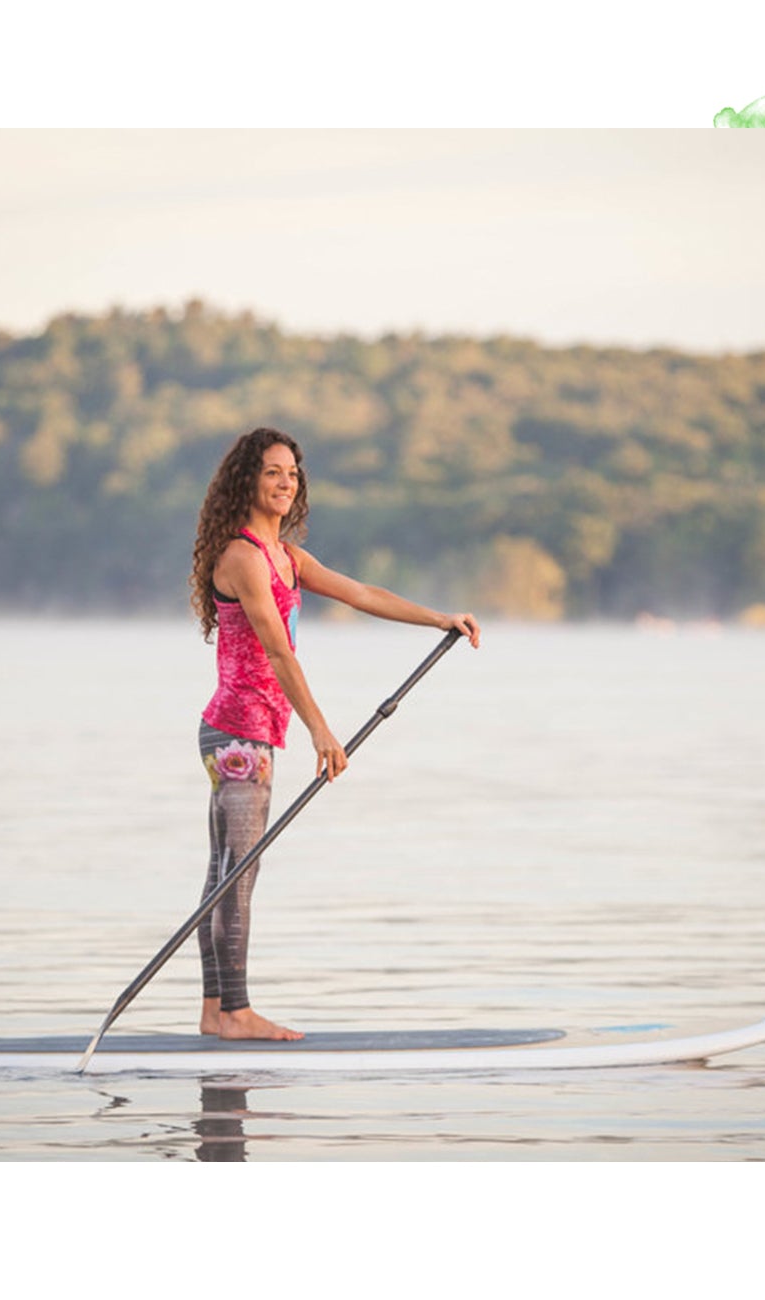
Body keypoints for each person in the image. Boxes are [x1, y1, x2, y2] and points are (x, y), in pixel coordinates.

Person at [190, 426, 482, 1040]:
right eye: (272, 471)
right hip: (240, 734)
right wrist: (323, 731)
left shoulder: (287, 559)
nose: (285, 481)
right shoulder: (243, 556)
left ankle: (216, 1012)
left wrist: (439, 619)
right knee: (238, 872)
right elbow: (277, 650)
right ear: (248, 480)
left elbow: (362, 593)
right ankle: (234, 1012)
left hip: (248, 732)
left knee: (225, 872)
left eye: (292, 472)